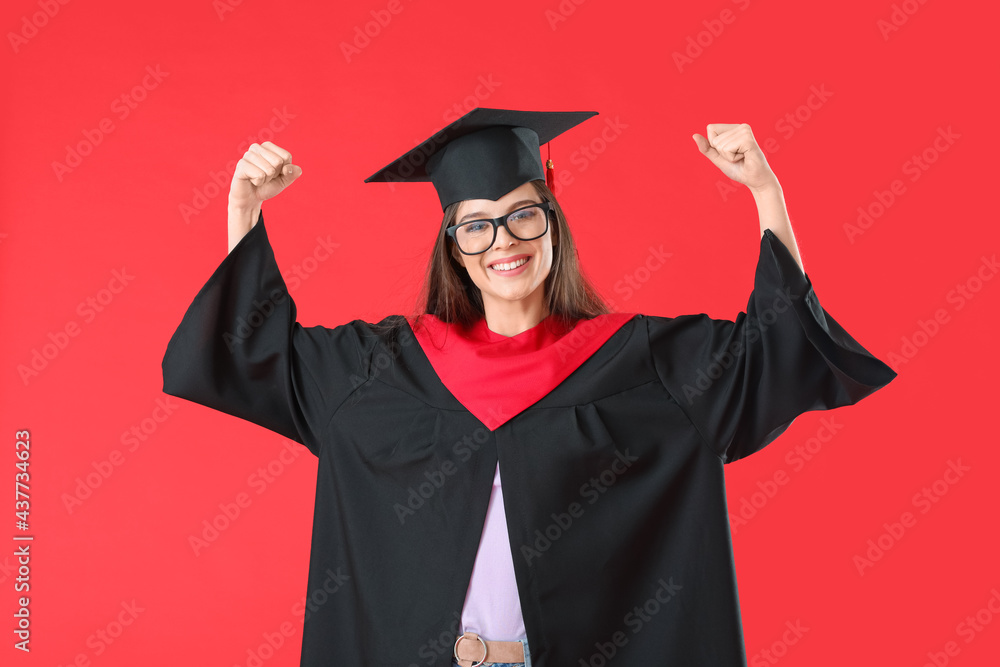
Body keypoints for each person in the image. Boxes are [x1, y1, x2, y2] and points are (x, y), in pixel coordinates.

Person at [162, 108, 897, 667]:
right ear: (453, 245)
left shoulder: (640, 364)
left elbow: (781, 353)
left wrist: (766, 192)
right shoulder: (384, 369)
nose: (502, 242)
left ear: (552, 221)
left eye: (521, 214)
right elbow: (254, 359)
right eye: (474, 227)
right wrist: (244, 214)